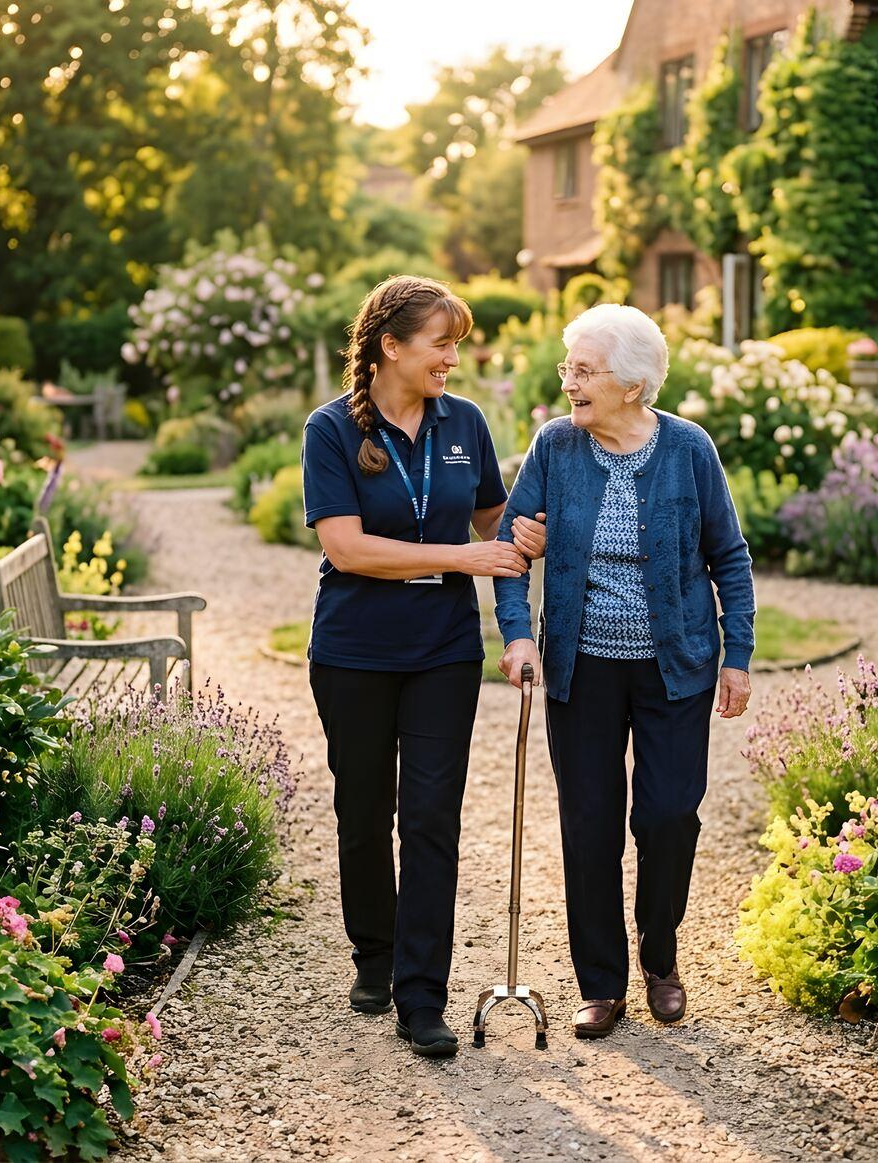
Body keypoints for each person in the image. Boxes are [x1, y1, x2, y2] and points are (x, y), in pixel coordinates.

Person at [494, 303, 754, 1040]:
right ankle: (601, 982)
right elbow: (512, 550)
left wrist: (737, 654)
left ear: (633, 385)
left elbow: (728, 557)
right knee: (590, 824)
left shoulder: (689, 449)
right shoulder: (554, 447)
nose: (568, 382)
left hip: (676, 668)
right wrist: (517, 635)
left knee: (669, 816)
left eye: (583, 370)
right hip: (584, 667)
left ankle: (660, 956)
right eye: (566, 368)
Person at [302, 275, 547, 1059]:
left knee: (433, 819)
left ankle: (422, 997)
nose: (452, 357)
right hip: (355, 654)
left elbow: (491, 519)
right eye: (441, 343)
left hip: (443, 654)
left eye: (456, 344)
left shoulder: (465, 422)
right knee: (364, 816)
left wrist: (523, 534)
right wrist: (463, 555)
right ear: (391, 345)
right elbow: (345, 547)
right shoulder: (330, 430)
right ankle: (372, 958)